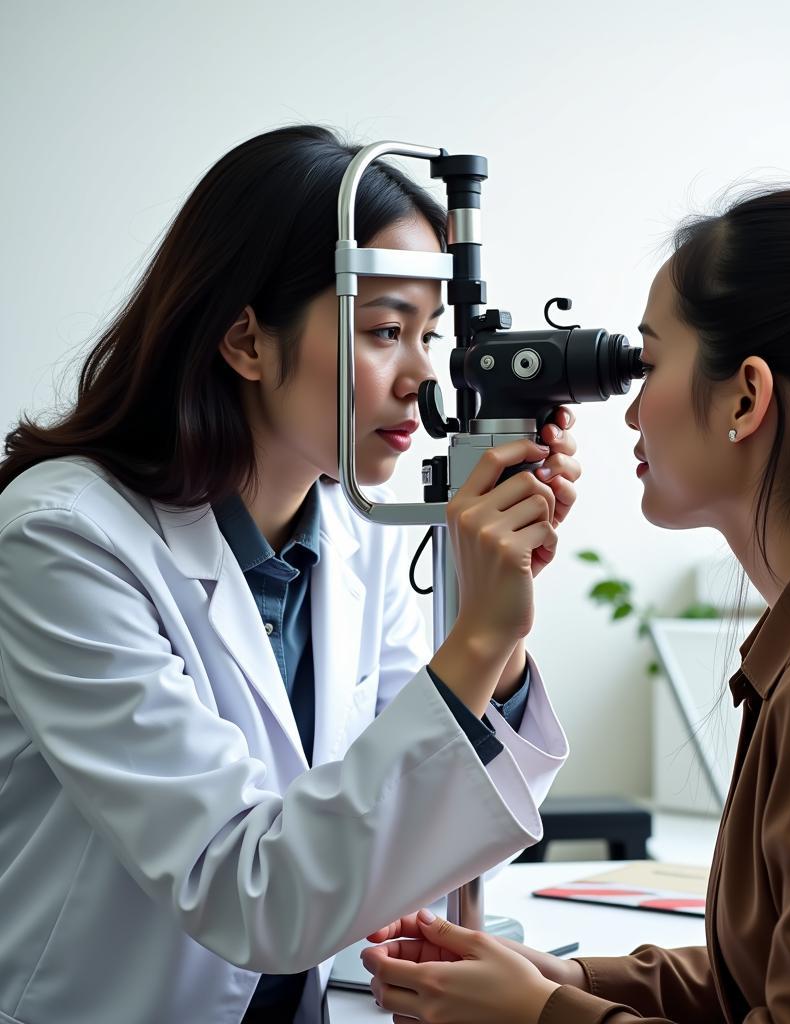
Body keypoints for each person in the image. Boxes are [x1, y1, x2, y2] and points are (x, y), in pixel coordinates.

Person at [362, 187, 790, 1022]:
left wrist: (536, 1018)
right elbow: (761, 980)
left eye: (650, 362)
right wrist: (554, 982)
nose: (631, 410)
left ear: (746, 399)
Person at [0, 125, 583, 1024]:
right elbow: (247, 890)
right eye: (386, 330)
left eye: (430, 335)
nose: (423, 379)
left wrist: (498, 632)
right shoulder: (62, 540)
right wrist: (474, 638)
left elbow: (419, 820)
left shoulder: (365, 530)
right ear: (247, 342)